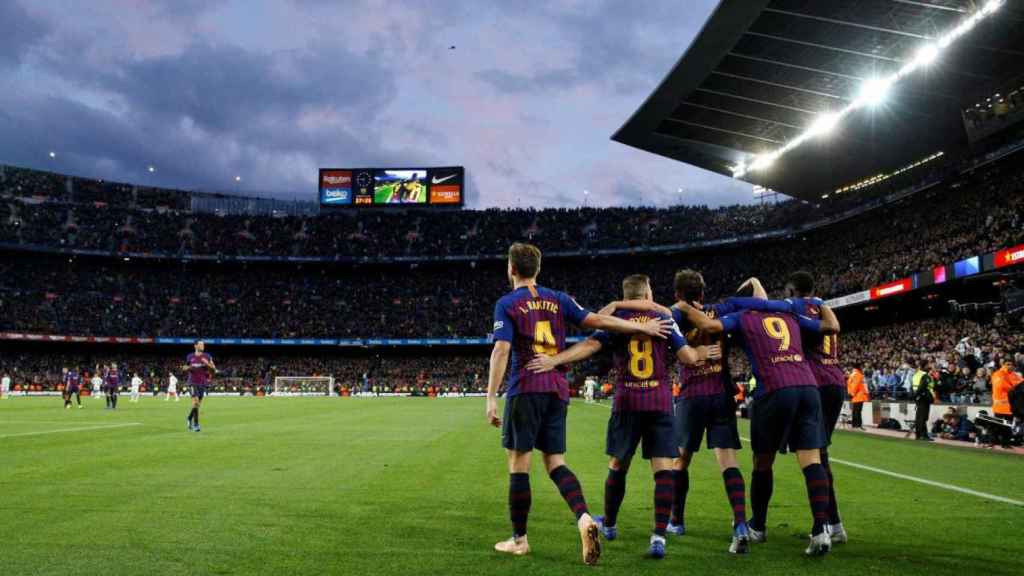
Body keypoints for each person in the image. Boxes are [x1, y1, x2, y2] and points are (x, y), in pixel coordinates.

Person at [486, 243, 673, 565]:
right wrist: (642, 326)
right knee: (555, 462)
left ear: (511, 269)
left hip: (526, 385)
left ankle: (519, 540)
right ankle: (584, 518)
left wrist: (491, 397)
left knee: (519, 464)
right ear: (538, 269)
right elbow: (600, 322)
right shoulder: (559, 299)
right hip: (557, 389)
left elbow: (502, 350)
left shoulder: (507, 303)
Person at [526, 274, 713, 559]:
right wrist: (699, 351)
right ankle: (659, 537)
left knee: (618, 465)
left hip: (627, 401)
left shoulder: (616, 317)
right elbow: (688, 358)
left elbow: (589, 346)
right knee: (664, 469)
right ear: (648, 291)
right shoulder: (662, 317)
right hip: (660, 401)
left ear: (626, 293)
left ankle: (610, 525)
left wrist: (555, 359)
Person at [677, 284, 840, 557]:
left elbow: (708, 323)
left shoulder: (743, 315)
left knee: (762, 462)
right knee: (812, 460)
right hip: (808, 388)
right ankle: (821, 530)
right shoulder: (790, 314)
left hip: (775, 389)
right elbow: (830, 326)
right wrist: (822, 303)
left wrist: (682, 306)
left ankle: (758, 526)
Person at [728, 271, 850, 543]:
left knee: (801, 456)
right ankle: (833, 524)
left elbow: (762, 306)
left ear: (792, 292)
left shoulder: (794, 309)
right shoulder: (820, 306)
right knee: (819, 455)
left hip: (809, 381)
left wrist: (756, 283)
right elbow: (832, 327)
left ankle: (766, 525)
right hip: (834, 381)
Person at [663, 269, 753, 554]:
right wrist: (753, 283)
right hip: (721, 394)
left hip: (692, 396)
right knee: (728, 461)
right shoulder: (720, 309)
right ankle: (740, 523)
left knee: (681, 462)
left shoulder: (674, 315)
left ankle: (676, 521)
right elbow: (758, 302)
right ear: (702, 293)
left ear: (678, 294)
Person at [183, 341, 217, 432]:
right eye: (201, 344)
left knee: (197, 406)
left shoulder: (207, 356)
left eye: (203, 344)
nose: (203, 346)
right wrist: (188, 368)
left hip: (202, 383)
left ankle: (189, 418)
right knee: (196, 403)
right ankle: (196, 425)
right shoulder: (190, 356)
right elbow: (185, 367)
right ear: (195, 345)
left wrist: (207, 364)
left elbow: (214, 370)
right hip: (192, 382)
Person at [913, 358, 936, 441]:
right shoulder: (925, 375)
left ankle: (919, 435)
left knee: (919, 417)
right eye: (929, 364)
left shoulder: (916, 374)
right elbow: (922, 387)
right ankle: (923, 435)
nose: (930, 366)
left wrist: (914, 397)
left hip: (918, 398)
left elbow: (914, 387)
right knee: (923, 417)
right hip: (923, 398)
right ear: (926, 365)